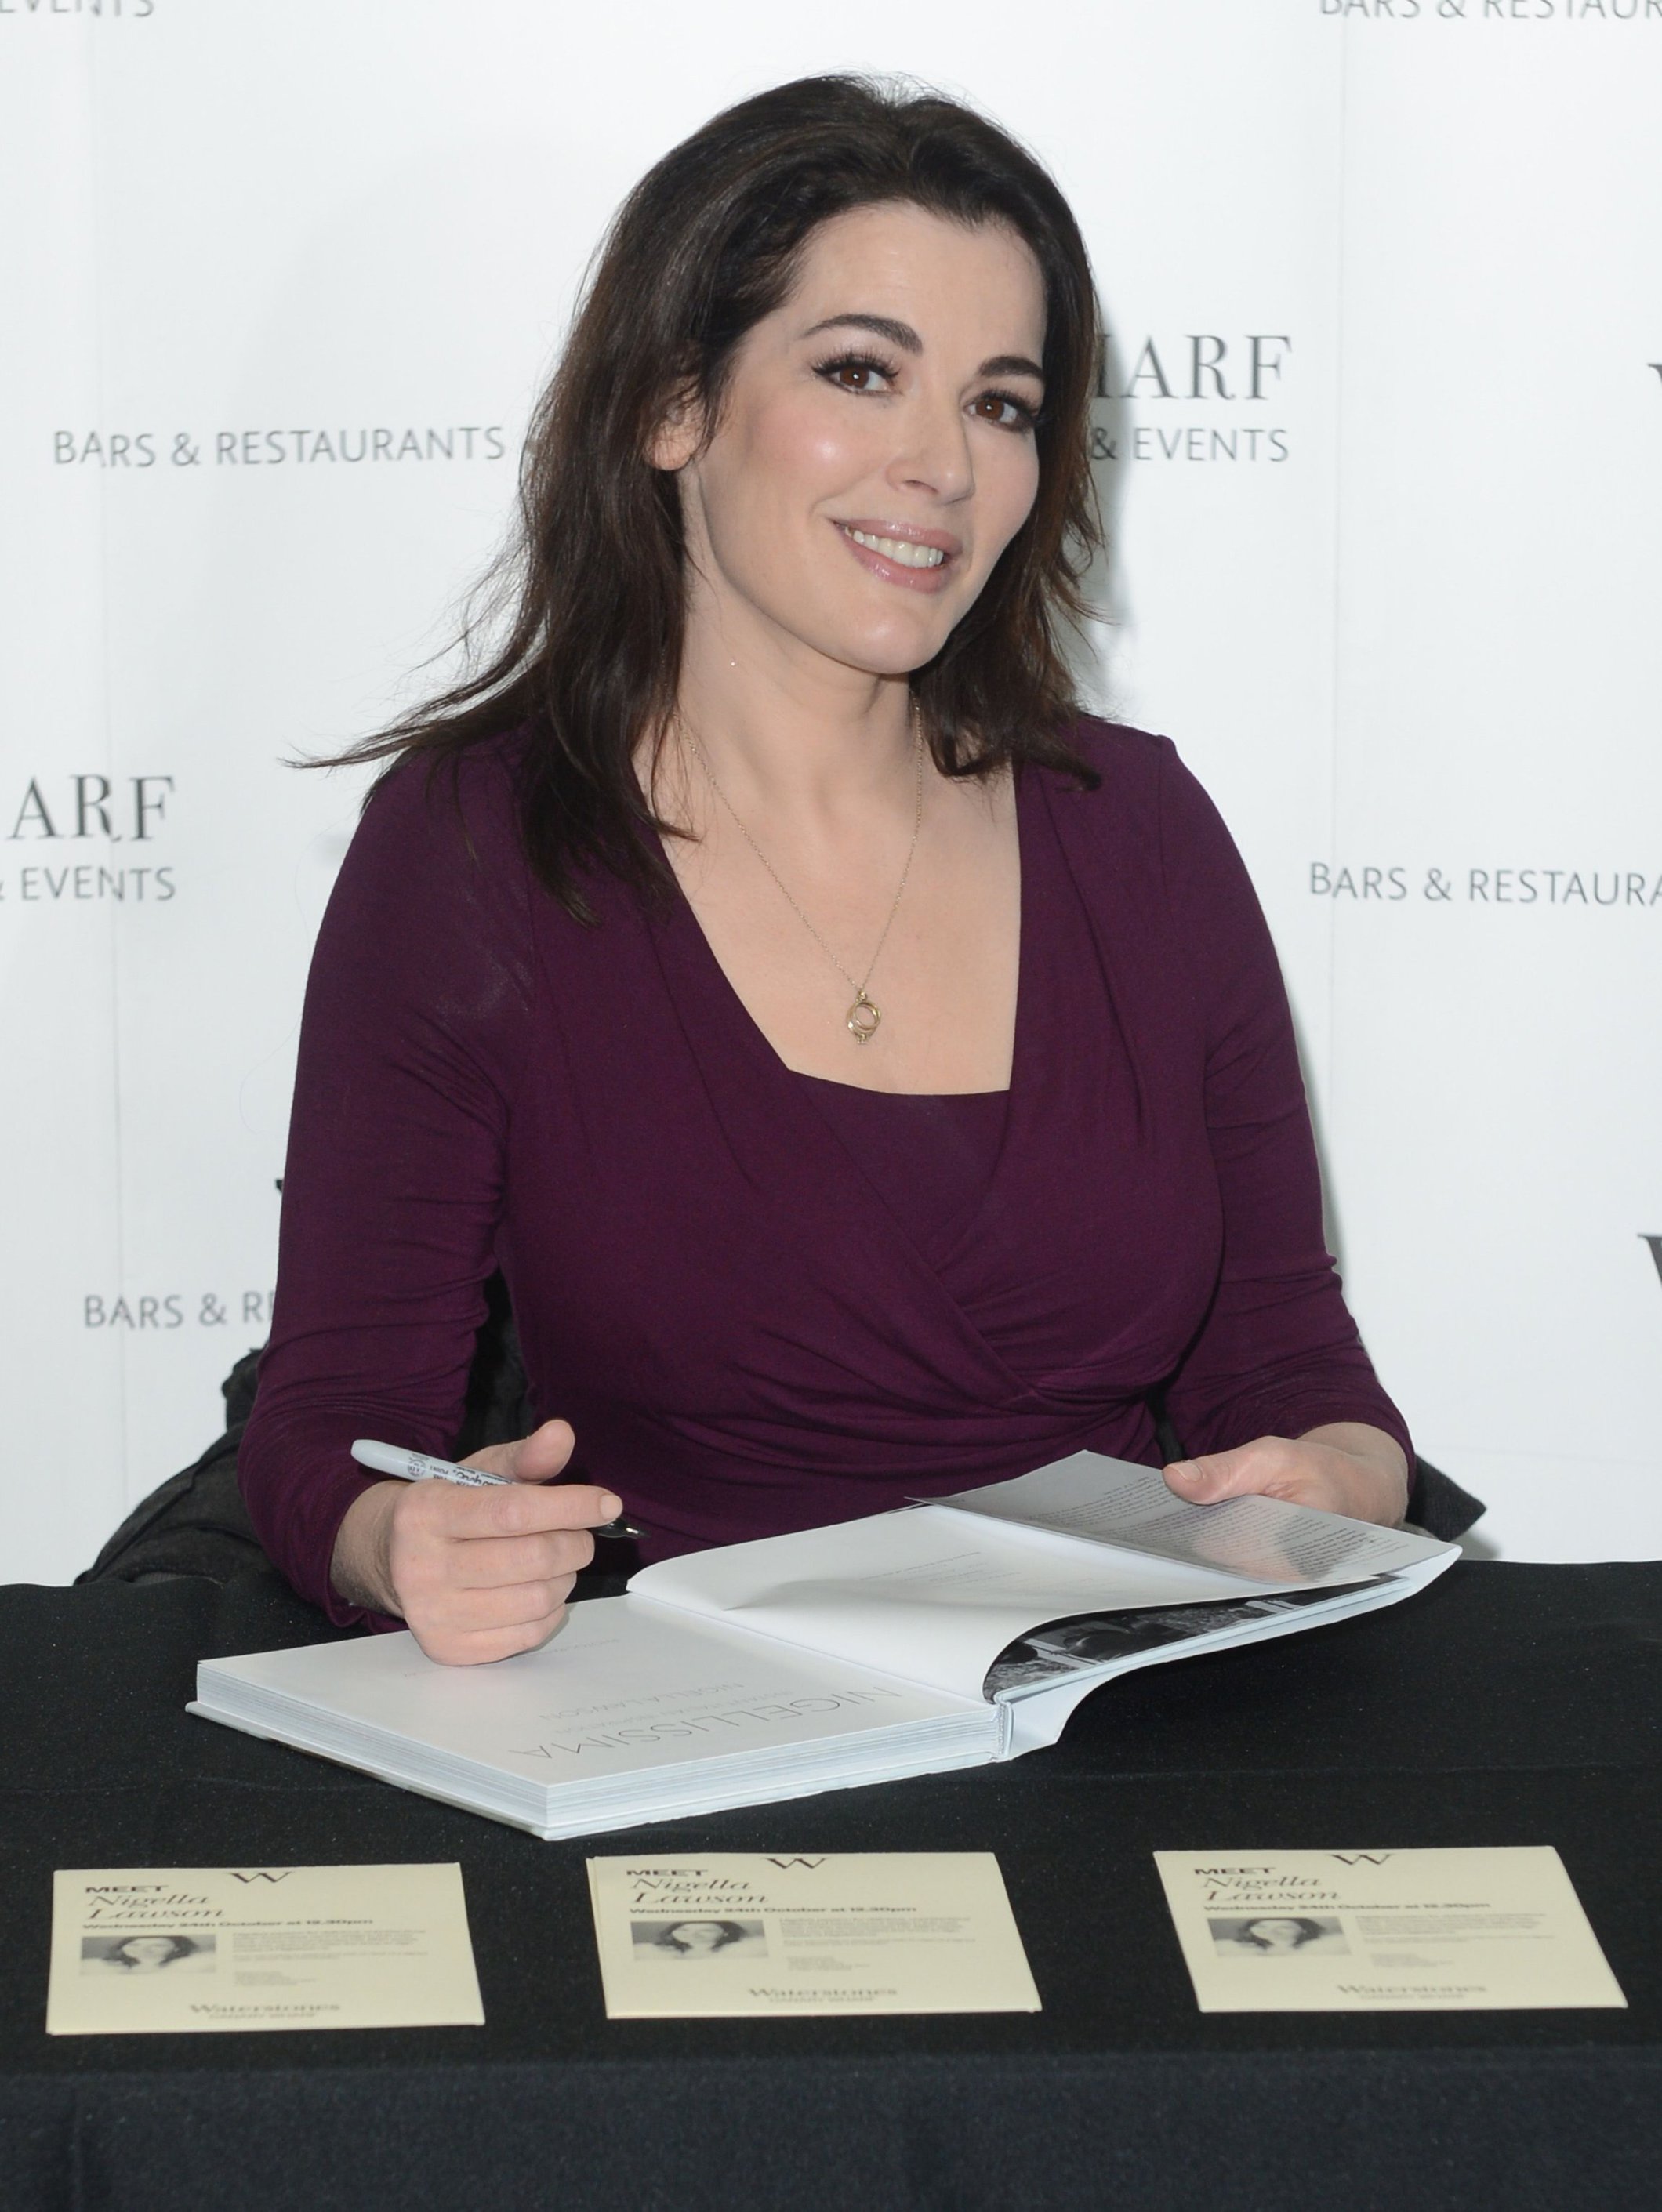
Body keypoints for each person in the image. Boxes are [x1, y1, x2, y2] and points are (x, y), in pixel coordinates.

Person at [238, 74, 1413, 1667]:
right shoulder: (473, 847)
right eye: (863, 373)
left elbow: (1285, 1362)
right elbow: (329, 1425)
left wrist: (1341, 1475)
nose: (944, 464)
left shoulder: (1138, 829)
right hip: (683, 1728)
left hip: (1120, 1702)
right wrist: (402, 1542)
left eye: (1001, 404)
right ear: (673, 404)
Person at [647, 1920, 751, 1957]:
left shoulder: (740, 1951)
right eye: (684, 1930)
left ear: (726, 1933)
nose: (693, 1935)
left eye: (706, 1931)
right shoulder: (658, 1952)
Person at [1228, 1917, 1330, 1954]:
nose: (1270, 1931)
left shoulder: (1321, 1948)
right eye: (1261, 1926)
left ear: (1305, 1929)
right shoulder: (1239, 1949)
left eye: (1284, 1927)